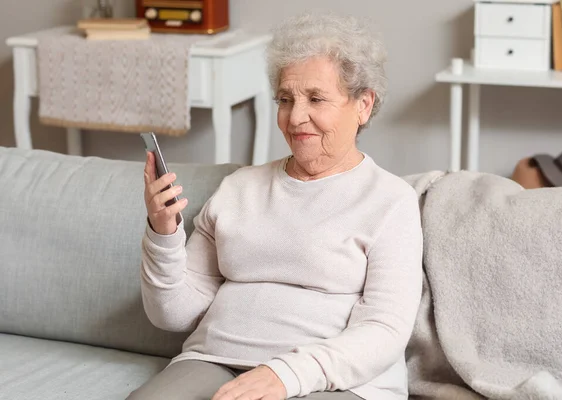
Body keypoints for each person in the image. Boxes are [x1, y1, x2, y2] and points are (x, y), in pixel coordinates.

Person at [129, 12, 423, 400]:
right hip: (214, 359)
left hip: (336, 379)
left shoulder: (390, 201)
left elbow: (385, 330)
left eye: (316, 98)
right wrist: (163, 233)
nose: (295, 117)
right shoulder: (238, 188)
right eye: (285, 99)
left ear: (363, 105)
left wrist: (284, 374)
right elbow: (172, 314)